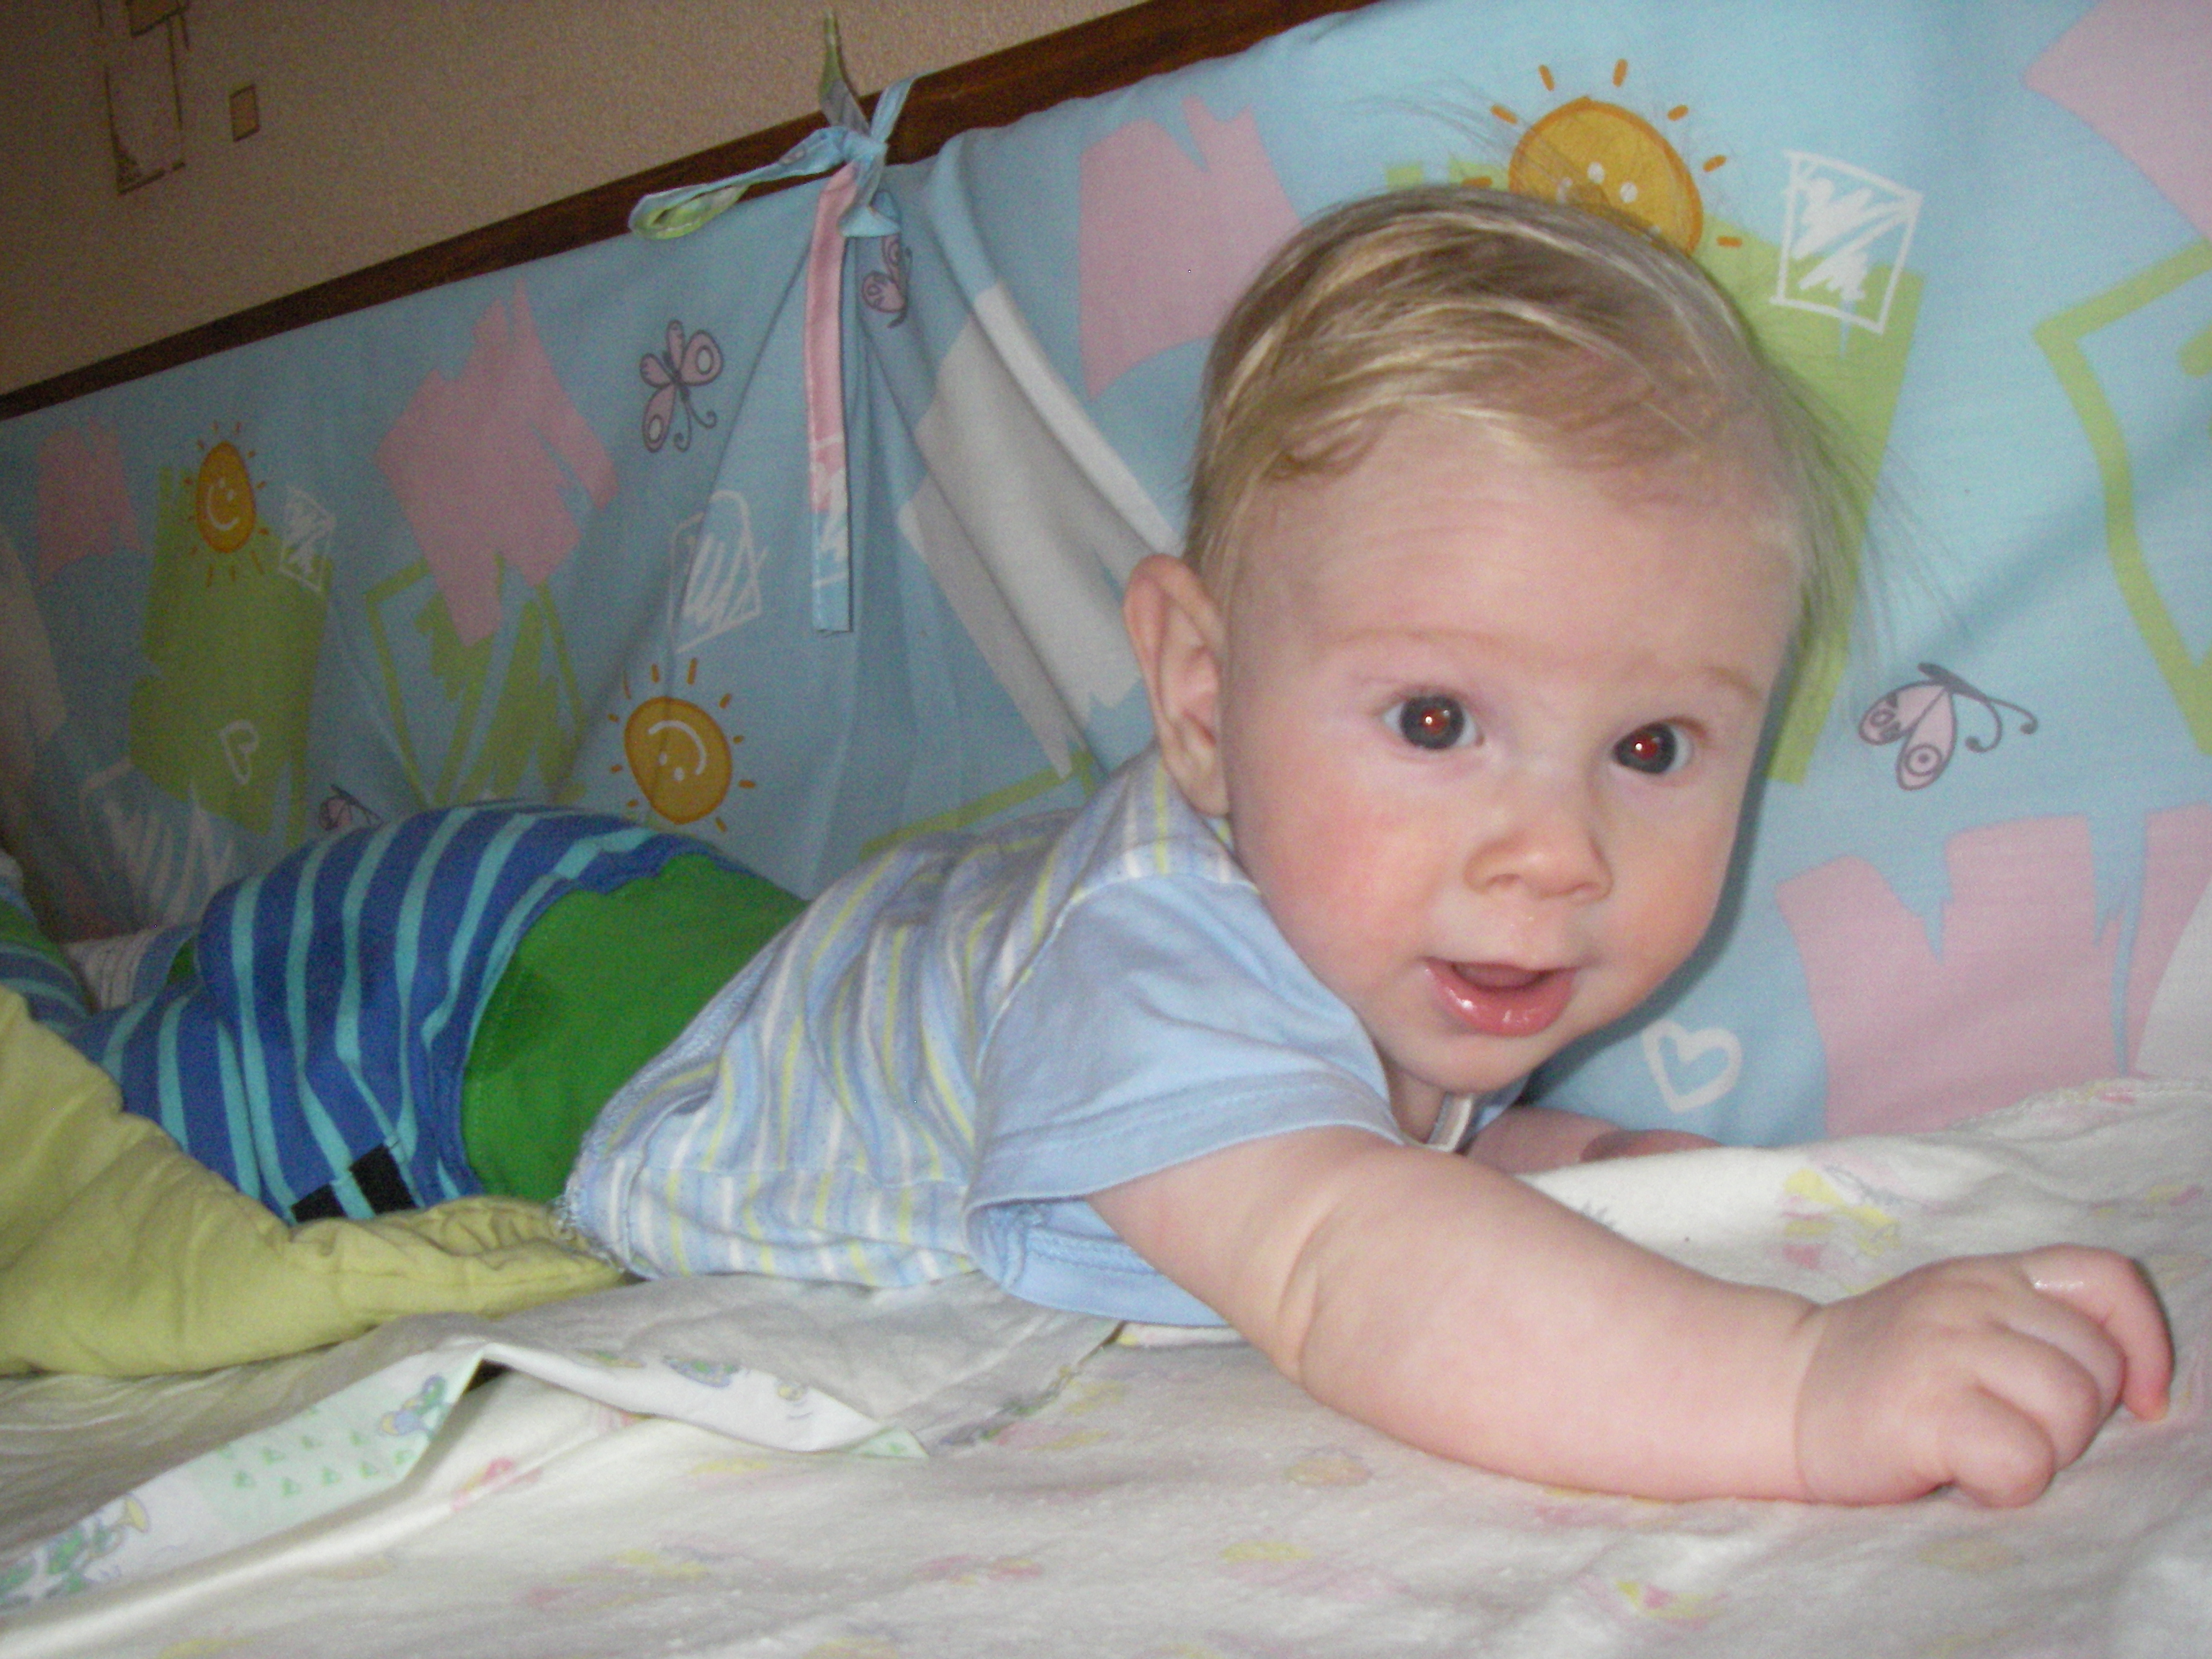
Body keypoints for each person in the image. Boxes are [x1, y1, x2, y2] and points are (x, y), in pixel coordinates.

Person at [1, 187, 2169, 1507]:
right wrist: (1801, 1384)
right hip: (467, 1006)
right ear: (1202, 697)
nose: (1555, 853)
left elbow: (1373, 1154)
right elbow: (1345, 1260)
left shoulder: (1377, 922)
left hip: (703, 939)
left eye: (1658, 745)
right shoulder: (1163, 959)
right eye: (1436, 722)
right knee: (103, 1109)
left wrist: (1634, 1178)